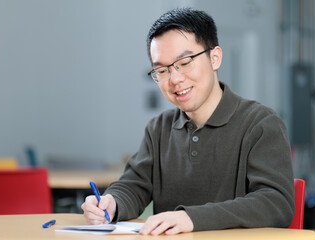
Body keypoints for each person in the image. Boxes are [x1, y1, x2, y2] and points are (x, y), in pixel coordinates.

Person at [81, 8, 295, 235]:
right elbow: (134, 185)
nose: (175, 79)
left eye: (184, 62)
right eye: (161, 70)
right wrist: (112, 203)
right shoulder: (159, 129)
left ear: (215, 58)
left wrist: (192, 218)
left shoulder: (261, 124)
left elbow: (276, 202)